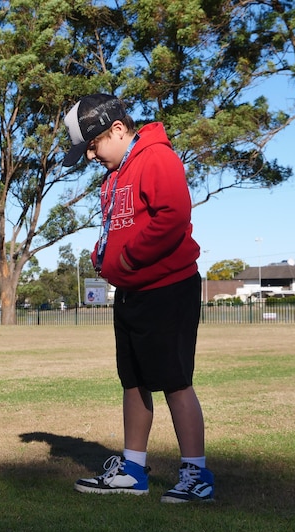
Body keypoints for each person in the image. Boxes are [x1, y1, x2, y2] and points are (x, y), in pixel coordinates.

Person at [61, 94, 214, 503]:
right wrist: (103, 253)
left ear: (116, 129)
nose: (91, 156)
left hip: (168, 288)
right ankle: (132, 470)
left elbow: (173, 216)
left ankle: (196, 474)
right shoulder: (115, 172)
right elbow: (119, 224)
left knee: (175, 382)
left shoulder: (156, 157)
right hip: (131, 292)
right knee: (134, 381)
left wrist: (127, 257)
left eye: (92, 146)